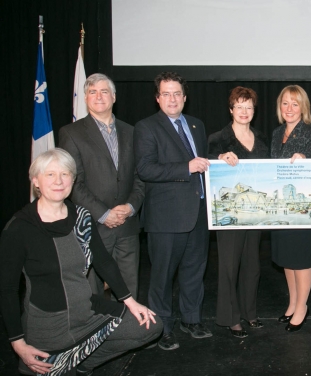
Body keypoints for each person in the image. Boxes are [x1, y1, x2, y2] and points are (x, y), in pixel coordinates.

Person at [0, 149, 161, 376]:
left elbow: (104, 262)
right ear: (36, 181)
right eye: (50, 175)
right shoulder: (19, 228)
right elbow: (7, 290)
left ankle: (84, 361)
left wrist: (130, 301)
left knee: (150, 326)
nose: (58, 181)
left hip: (86, 313)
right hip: (48, 327)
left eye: (65, 174)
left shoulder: (82, 216)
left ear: (73, 180)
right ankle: (72, 360)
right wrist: (18, 343)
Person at [134, 72, 211, 351]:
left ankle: (191, 319)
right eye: (166, 93)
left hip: (199, 213)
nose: (172, 99)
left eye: (177, 93)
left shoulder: (196, 125)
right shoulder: (146, 127)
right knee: (162, 276)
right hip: (166, 217)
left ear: (185, 97)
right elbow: (145, 169)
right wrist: (185, 167)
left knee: (194, 270)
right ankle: (162, 328)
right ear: (157, 98)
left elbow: (203, 165)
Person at [59, 73, 144, 299]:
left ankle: (130, 333)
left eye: (104, 91)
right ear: (85, 98)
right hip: (93, 225)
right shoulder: (71, 133)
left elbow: (139, 177)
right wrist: (104, 214)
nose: (99, 96)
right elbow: (73, 183)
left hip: (127, 224)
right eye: (93, 92)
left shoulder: (131, 131)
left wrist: (131, 207)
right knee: (92, 291)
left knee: (129, 288)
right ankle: (96, 333)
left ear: (114, 97)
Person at [208, 87, 269, 338]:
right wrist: (220, 157)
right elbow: (207, 164)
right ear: (231, 109)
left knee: (252, 265)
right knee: (229, 266)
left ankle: (250, 312)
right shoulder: (217, 139)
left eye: (249, 107)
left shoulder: (262, 138)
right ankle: (231, 317)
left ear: (254, 111)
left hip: (255, 213)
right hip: (230, 214)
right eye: (239, 107)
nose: (244, 112)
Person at [270, 85, 311, 332]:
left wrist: (306, 161)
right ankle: (292, 303)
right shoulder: (276, 133)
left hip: (301, 210)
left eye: (295, 103)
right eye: (285, 103)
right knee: (287, 260)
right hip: (281, 208)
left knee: (301, 260)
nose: (289, 108)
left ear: (303, 107)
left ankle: (302, 307)